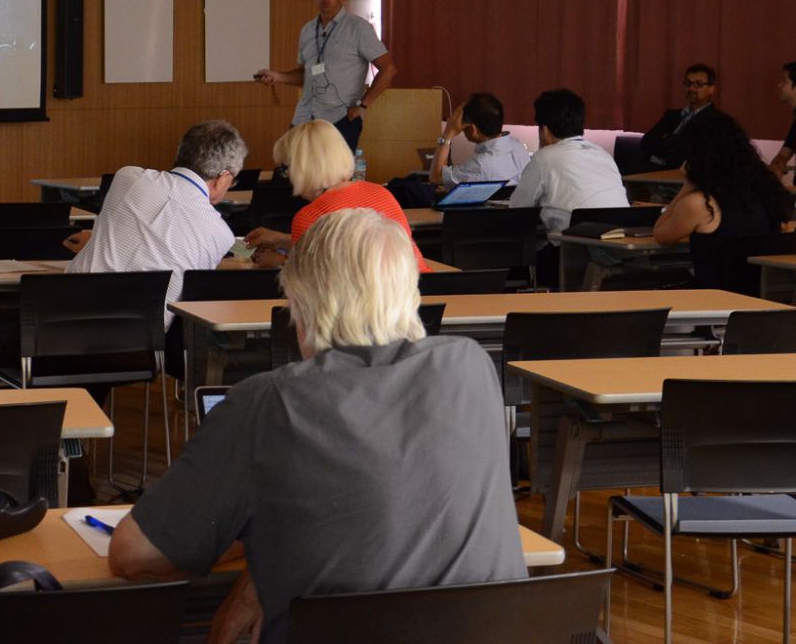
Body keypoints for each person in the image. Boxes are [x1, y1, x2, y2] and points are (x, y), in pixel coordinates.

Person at [108, 207, 526, 644]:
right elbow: (365, 515)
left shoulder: (268, 403)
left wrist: (245, 543)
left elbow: (134, 555)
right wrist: (253, 582)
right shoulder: (471, 367)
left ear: (302, 302)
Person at [64, 120, 245, 326]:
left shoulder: (129, 177)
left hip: (59, 325)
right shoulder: (221, 234)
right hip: (140, 345)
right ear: (223, 178)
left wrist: (96, 240)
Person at [245, 119, 432, 271]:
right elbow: (358, 249)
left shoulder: (310, 216)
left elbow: (310, 283)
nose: (287, 177)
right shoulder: (382, 193)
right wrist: (284, 240)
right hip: (414, 299)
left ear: (302, 168)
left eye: (286, 168)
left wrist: (278, 262)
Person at [255, 0, 396, 153]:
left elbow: (388, 69)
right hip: (306, 116)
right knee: (295, 173)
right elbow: (306, 74)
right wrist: (278, 76)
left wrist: (363, 105)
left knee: (335, 178)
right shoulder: (307, 30)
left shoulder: (358, 28)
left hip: (341, 117)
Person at [651, 113, 793, 290]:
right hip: (758, 297)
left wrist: (687, 186)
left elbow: (661, 234)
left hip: (711, 300)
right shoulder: (767, 194)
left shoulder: (702, 204)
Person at [509, 88, 628, 232]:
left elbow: (517, 210)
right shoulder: (602, 154)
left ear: (544, 130)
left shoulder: (544, 158)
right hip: (619, 237)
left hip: (575, 245)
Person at [432, 91, 531, 187]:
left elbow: (436, 178)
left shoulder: (479, 165)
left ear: (473, 129)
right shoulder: (519, 146)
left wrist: (447, 135)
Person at [639, 62, 721, 170]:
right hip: (648, 168)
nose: (691, 89)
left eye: (698, 84)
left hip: (680, 175)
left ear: (711, 89)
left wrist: (667, 140)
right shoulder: (671, 115)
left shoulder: (716, 120)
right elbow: (646, 142)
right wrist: (673, 143)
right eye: (688, 84)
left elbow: (692, 153)